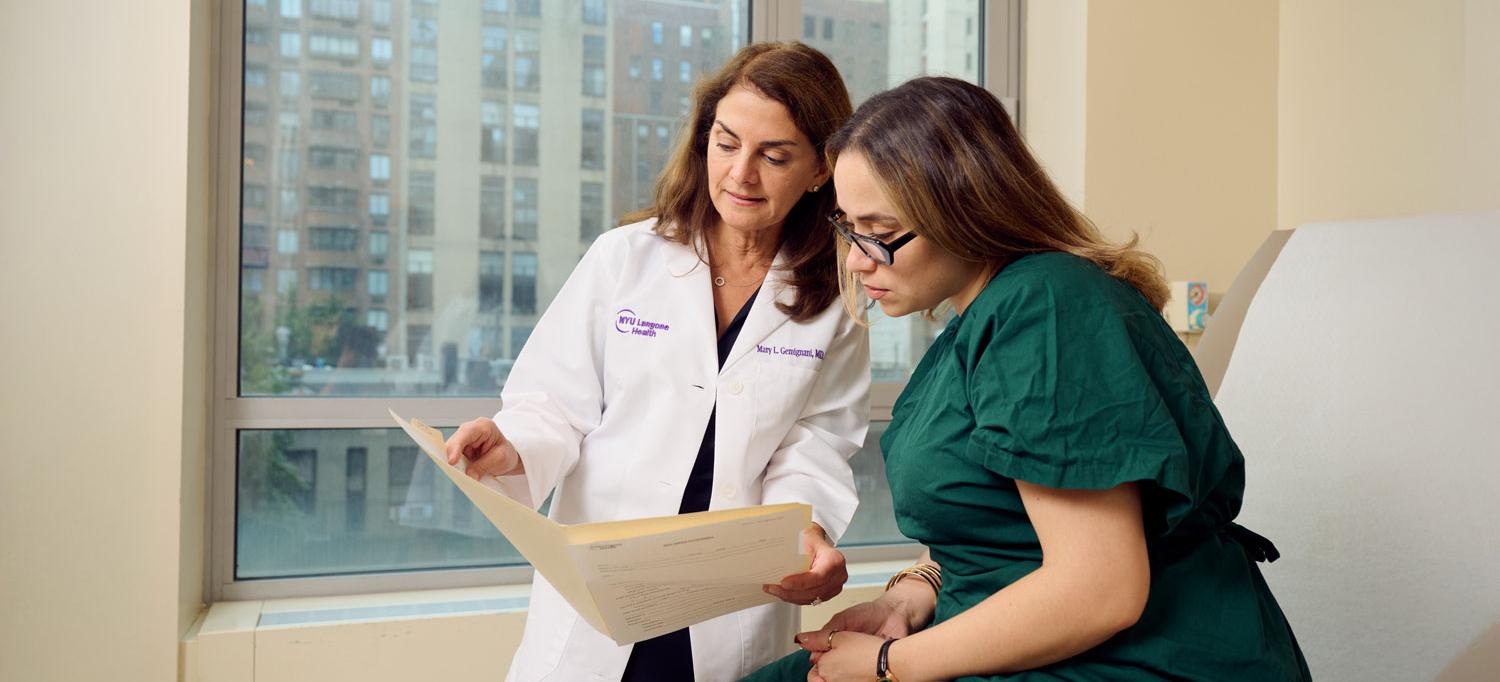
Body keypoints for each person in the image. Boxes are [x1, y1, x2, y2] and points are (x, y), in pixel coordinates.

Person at [745, 77, 1310, 682]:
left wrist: (889, 664)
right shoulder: (977, 324)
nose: (858, 259)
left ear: (965, 212)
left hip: (1138, 659)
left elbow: (1101, 589)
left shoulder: (1049, 308)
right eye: (849, 228)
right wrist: (908, 596)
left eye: (880, 236)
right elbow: (999, 523)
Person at [444, 43, 870, 682]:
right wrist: (510, 444)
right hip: (604, 591)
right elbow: (554, 404)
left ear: (819, 171)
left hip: (732, 600)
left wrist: (803, 533)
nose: (741, 175)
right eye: (726, 144)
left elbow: (814, 445)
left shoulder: (834, 295)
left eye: (774, 156)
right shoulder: (626, 258)